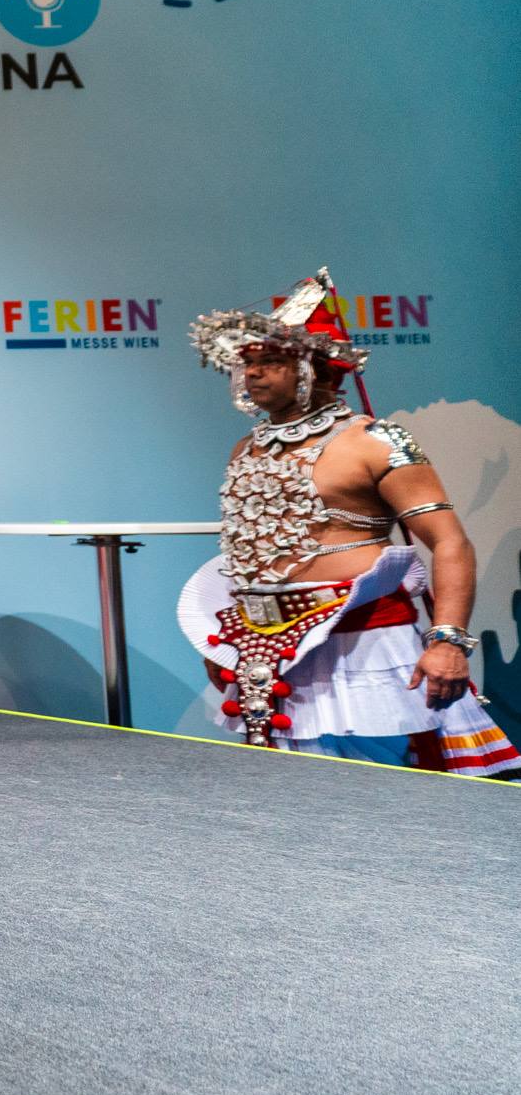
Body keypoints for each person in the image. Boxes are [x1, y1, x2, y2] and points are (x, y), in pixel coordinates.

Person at [180, 270, 514, 774]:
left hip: (366, 646)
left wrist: (447, 640)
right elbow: (249, 549)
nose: (252, 374)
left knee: (390, 796)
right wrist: (231, 643)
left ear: (320, 369)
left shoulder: (374, 441)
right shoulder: (245, 448)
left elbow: (449, 543)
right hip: (265, 650)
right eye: (246, 363)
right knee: (286, 797)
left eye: (271, 361)